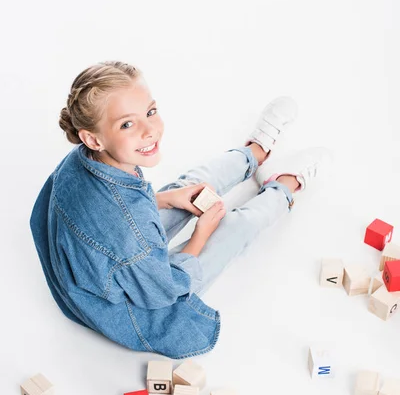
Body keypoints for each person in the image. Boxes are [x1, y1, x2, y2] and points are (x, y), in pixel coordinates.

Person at [30, 60, 331, 359]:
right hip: (130, 307)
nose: (150, 130)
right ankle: (285, 186)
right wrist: (201, 235)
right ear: (93, 138)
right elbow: (163, 289)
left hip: (105, 264)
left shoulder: (83, 158)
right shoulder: (134, 237)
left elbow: (114, 216)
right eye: (127, 124)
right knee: (234, 230)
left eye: (150, 112)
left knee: (190, 187)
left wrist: (167, 199)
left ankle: (254, 153)